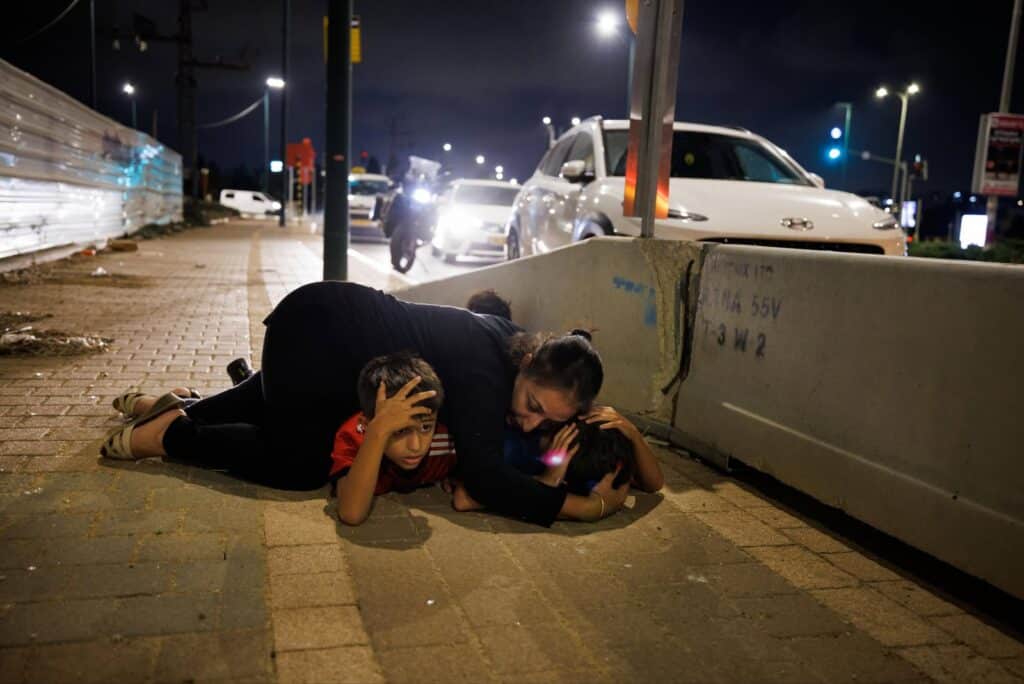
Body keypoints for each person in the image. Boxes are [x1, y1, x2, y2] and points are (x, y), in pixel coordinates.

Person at [100, 281, 628, 526]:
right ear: (529, 360)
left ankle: (166, 405)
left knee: (275, 404)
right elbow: (486, 476)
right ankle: (170, 435)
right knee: (301, 462)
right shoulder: (485, 368)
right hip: (316, 335)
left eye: (547, 419)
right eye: (532, 403)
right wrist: (579, 506)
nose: (530, 420)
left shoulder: (514, 349)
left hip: (319, 327)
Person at [451, 406, 664, 512]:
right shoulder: (511, 445)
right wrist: (545, 484)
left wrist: (634, 435)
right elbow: (464, 499)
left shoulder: (595, 449)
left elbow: (653, 484)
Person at [332, 353, 454, 525]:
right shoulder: (355, 437)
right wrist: (377, 433)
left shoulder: (443, 440)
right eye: (399, 430)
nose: (415, 446)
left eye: (426, 427)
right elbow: (351, 513)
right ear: (367, 425)